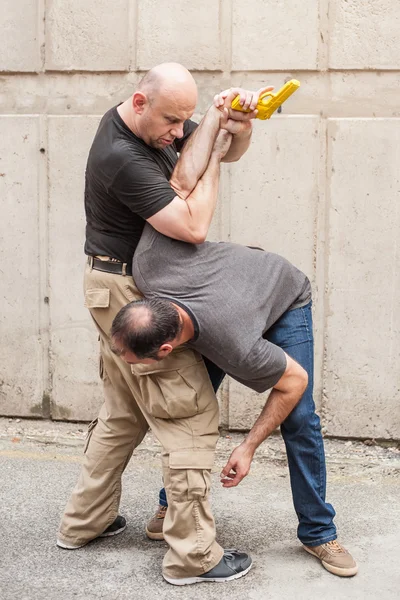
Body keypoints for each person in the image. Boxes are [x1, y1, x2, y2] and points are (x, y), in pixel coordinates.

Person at [57, 61, 269, 585]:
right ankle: (192, 557)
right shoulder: (121, 155)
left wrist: (233, 123)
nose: (180, 132)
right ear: (139, 102)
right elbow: (194, 226)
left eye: (187, 120)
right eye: (173, 122)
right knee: (188, 413)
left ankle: (83, 523)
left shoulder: (158, 122)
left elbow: (224, 150)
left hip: (117, 287)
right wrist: (213, 154)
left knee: (124, 416)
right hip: (127, 291)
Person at [109, 223, 358, 579]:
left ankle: (319, 532)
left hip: (283, 295)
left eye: (135, 359)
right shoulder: (149, 263)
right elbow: (172, 199)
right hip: (228, 299)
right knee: (190, 409)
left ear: (166, 349)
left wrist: (248, 447)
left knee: (300, 418)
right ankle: (174, 506)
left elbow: (294, 382)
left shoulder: (235, 345)